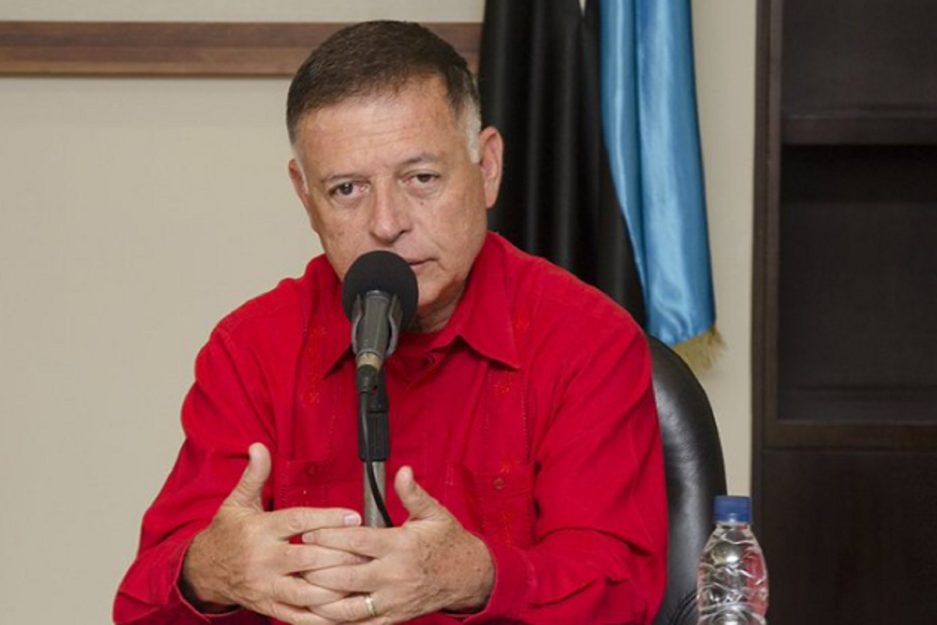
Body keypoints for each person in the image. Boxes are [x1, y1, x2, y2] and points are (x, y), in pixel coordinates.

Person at [114, 21, 667, 625]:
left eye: (421, 178)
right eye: (347, 189)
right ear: (306, 198)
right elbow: (140, 603)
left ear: (487, 167)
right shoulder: (251, 348)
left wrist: (478, 576)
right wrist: (210, 570)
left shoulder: (586, 340)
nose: (386, 222)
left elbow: (622, 595)